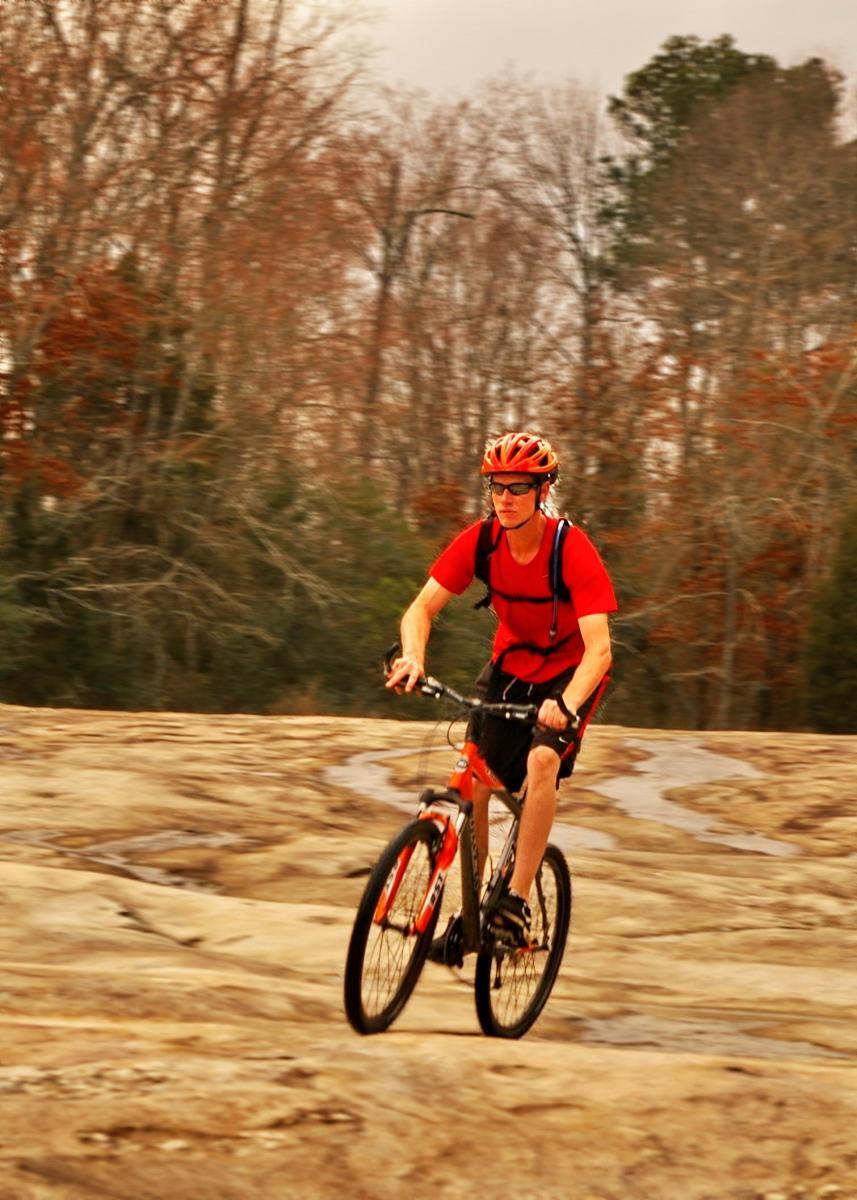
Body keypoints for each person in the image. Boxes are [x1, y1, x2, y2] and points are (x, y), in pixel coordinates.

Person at [385, 430, 617, 949]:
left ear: (542, 491)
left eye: (519, 487)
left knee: (540, 765)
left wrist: (566, 704)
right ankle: (473, 913)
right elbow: (420, 609)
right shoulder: (483, 541)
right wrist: (414, 658)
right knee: (477, 777)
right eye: (497, 487)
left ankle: (513, 902)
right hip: (511, 666)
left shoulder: (569, 548)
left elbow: (600, 649)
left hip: (569, 675)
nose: (506, 498)